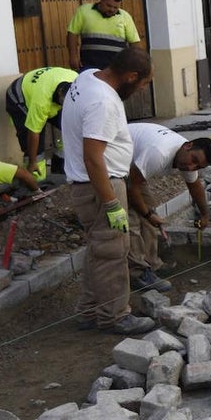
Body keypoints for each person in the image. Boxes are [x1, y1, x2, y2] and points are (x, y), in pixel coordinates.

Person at [62, 47, 155, 335]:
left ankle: (89, 311)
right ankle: (115, 316)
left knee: (99, 250)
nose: (141, 90)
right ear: (130, 76)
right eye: (142, 84)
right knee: (114, 252)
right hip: (100, 186)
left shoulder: (89, 76)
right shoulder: (103, 102)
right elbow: (93, 157)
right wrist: (112, 202)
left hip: (90, 185)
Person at [126, 123, 211, 293]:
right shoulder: (159, 153)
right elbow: (131, 187)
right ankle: (137, 273)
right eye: (194, 161)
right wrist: (147, 214)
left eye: (198, 167)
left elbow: (195, 185)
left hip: (133, 167)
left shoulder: (186, 155)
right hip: (111, 164)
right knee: (132, 219)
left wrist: (205, 214)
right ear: (188, 145)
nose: (191, 167)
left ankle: (151, 264)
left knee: (149, 213)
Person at [4, 66, 78, 180]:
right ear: (59, 96)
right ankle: (36, 183)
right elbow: (34, 132)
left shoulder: (77, 81)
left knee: (72, 125)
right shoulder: (41, 102)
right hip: (19, 97)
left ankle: (60, 165)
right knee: (34, 148)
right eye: (64, 103)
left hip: (42, 85)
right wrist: (33, 161)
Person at [66, 0, 142, 72]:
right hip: (89, 65)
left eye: (115, 7)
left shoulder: (125, 17)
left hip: (116, 67)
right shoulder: (84, 11)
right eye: (108, 5)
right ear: (101, 0)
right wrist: (73, 56)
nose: (112, 10)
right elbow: (72, 34)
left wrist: (136, 63)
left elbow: (134, 43)